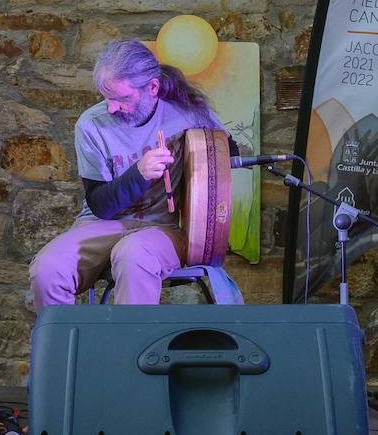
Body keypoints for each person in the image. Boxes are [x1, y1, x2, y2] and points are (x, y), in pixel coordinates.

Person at [29, 39, 234, 309]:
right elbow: (101, 205)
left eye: (123, 98)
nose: (112, 107)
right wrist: (139, 173)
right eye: (107, 97)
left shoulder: (187, 114)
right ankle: (64, 349)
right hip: (100, 224)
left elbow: (226, 152)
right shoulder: (92, 125)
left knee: (133, 255)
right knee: (48, 271)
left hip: (160, 228)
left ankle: (129, 350)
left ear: (152, 87)